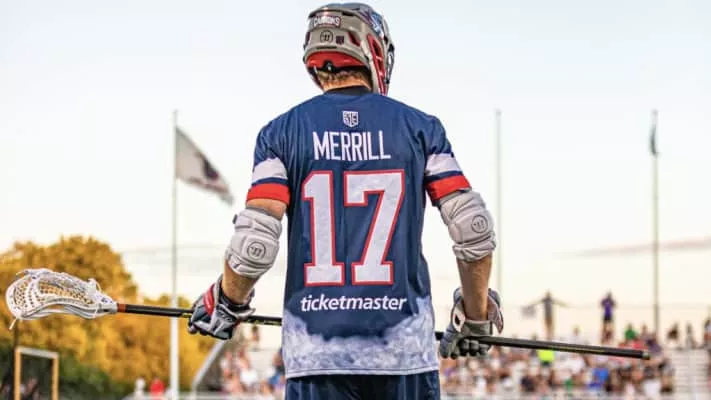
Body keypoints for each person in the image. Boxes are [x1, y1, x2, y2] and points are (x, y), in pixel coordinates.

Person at [185, 3, 503, 400]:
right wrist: (475, 316)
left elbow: (255, 244)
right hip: (404, 356)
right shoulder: (421, 128)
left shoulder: (281, 133)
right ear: (374, 50)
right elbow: (473, 229)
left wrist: (228, 300)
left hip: (317, 358)